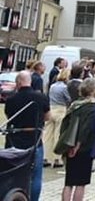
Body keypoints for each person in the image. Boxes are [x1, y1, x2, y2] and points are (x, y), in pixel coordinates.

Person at [4, 70, 50, 201]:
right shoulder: (41, 97)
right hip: (34, 140)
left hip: (14, 141)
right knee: (35, 176)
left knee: (13, 175)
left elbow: (9, 116)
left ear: (18, 83)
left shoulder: (11, 99)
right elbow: (47, 116)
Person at [56, 78, 95, 201]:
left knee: (69, 181)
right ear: (93, 91)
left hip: (69, 143)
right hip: (84, 147)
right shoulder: (92, 107)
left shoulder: (74, 105)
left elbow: (65, 125)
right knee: (81, 183)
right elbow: (86, 129)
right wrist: (78, 145)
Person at [43, 67, 70, 168]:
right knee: (58, 135)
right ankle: (57, 158)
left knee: (47, 135)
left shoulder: (52, 86)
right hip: (60, 110)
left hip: (51, 109)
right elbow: (68, 99)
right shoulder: (65, 88)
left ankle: (46, 157)